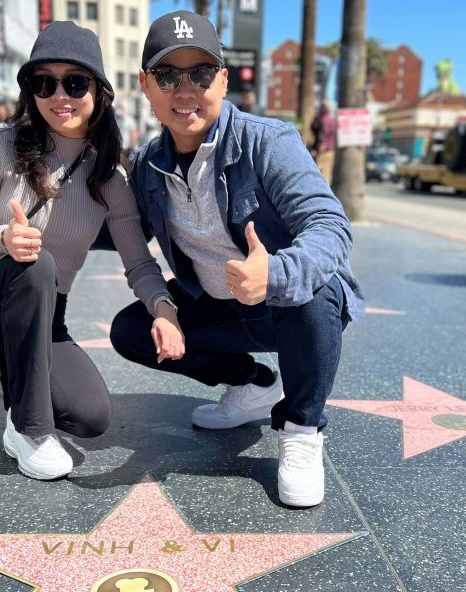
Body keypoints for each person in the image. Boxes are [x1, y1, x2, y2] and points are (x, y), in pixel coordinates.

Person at [110, 11, 363, 508]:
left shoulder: (268, 141)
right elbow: (121, 237)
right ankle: (254, 385)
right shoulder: (145, 166)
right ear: (146, 85)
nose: (185, 90)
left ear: (223, 80)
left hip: (283, 308)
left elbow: (330, 225)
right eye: (168, 75)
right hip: (219, 307)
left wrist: (275, 273)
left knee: (315, 288)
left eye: (200, 73)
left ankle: (302, 428)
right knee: (131, 331)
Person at [0, 21, 184, 481]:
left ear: (99, 92)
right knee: (35, 262)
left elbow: (138, 261)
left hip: (47, 316)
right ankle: (27, 429)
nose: (59, 95)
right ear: (30, 91)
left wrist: (163, 310)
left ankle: (12, 374)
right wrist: (1, 240)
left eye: (74, 81)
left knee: (92, 417)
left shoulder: (108, 175)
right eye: (43, 82)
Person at [310, 100, 336, 184]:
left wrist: (319, 152)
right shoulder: (330, 119)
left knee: (320, 174)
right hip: (330, 150)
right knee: (327, 174)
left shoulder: (324, 120)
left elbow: (323, 138)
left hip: (323, 151)